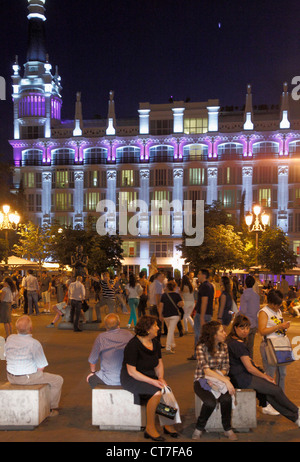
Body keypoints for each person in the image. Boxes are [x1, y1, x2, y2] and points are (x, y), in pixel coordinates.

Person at [227, 314, 300, 426]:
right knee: (276, 390)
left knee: (269, 396)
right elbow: (249, 368)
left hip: (238, 375)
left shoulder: (232, 340)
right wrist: (265, 376)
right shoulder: (238, 344)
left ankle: (295, 418)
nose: (245, 331)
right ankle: (297, 411)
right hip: (243, 378)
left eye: (247, 328)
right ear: (235, 328)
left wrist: (256, 367)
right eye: (242, 328)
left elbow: (247, 362)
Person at [121, 315, 180, 441]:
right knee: (156, 392)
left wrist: (161, 378)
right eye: (155, 326)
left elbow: (159, 364)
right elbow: (131, 372)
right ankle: (150, 428)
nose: (158, 328)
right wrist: (153, 381)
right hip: (132, 378)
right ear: (148, 329)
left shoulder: (156, 343)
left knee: (166, 390)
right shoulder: (133, 345)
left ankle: (168, 424)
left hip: (148, 376)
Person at [5, 315, 63, 416]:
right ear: (31, 329)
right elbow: (41, 366)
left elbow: (5, 355)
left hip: (10, 376)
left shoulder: (10, 338)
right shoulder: (34, 343)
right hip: (27, 378)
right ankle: (50, 408)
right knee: (57, 380)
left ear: (16, 328)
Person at [192, 320, 237, 441]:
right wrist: (226, 381)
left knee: (226, 399)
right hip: (201, 381)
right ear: (213, 334)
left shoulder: (224, 346)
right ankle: (199, 428)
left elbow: (225, 367)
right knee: (210, 402)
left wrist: (217, 378)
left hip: (218, 381)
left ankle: (227, 429)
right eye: (222, 331)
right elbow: (206, 371)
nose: (225, 333)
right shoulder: (201, 347)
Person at [86, 313, 133, 388]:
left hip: (108, 379)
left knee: (90, 378)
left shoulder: (101, 338)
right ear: (119, 323)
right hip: (128, 378)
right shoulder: (128, 334)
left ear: (105, 325)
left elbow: (92, 360)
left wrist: (93, 372)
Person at [258, 289, 291, 391]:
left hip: (281, 344)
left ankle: (281, 397)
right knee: (270, 374)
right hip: (269, 345)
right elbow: (262, 331)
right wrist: (279, 326)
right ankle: (268, 401)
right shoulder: (264, 312)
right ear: (271, 303)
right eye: (277, 304)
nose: (279, 306)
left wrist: (284, 327)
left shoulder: (279, 311)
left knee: (282, 373)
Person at [188, 269, 214, 360]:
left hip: (202, 314)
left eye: (199, 273)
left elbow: (204, 301)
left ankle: (198, 354)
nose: (197, 275)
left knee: (199, 335)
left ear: (204, 275)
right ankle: (204, 353)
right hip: (207, 313)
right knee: (205, 334)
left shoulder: (205, 286)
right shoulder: (209, 286)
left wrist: (202, 316)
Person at [239, 275, 261, 358]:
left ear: (245, 283)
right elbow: (258, 311)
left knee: (243, 347)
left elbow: (243, 311)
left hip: (245, 325)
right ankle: (250, 363)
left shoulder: (244, 296)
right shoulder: (256, 296)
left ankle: (244, 365)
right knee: (250, 347)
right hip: (254, 324)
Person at [159, 280, 184, 354]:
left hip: (166, 315)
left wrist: (160, 315)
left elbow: (161, 306)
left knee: (170, 330)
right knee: (170, 330)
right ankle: (168, 347)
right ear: (174, 287)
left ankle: (172, 344)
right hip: (174, 315)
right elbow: (181, 304)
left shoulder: (164, 295)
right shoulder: (177, 295)